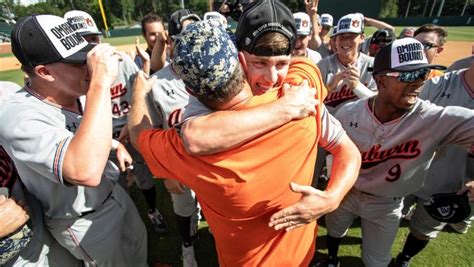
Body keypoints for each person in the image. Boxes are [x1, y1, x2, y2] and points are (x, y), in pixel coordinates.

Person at [129, 18, 361, 266]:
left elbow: (138, 135)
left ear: (190, 90)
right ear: (241, 61)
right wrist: (332, 197)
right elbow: (349, 151)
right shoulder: (300, 93)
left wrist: (138, 93)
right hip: (301, 253)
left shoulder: (185, 149)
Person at [0, 14, 147, 266]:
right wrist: (100, 83)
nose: (89, 66)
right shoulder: (19, 116)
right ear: (44, 72)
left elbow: (74, 132)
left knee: (138, 253)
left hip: (111, 196)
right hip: (85, 219)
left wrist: (114, 144)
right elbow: (84, 171)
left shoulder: (65, 93)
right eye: (79, 61)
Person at [322, 38, 474, 267]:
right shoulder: (349, 113)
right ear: (380, 80)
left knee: (377, 261)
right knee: (334, 229)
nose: (418, 83)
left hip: (387, 202)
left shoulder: (434, 119)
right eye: (408, 76)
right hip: (347, 192)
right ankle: (332, 259)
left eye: (423, 74)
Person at [64, 9, 168, 234]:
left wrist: (131, 128)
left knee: (144, 177)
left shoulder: (120, 62)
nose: (91, 45)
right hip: (98, 140)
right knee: (113, 185)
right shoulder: (68, 74)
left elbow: (139, 94)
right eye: (82, 40)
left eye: (93, 38)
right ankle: (123, 219)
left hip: (129, 131)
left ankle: (152, 211)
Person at [394, 60, 474, 267]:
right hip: (409, 171)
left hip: (453, 185)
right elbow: (402, 115)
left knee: (424, 230)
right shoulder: (441, 84)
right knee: (387, 216)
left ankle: (404, 258)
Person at [145, 8, 204, 267]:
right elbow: (153, 134)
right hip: (178, 162)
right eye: (184, 38)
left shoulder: (214, 72)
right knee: (183, 209)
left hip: (211, 160)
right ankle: (187, 247)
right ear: (171, 41)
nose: (191, 44)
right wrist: (165, 172)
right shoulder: (156, 83)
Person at [317, 13, 377, 114]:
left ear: (362, 38)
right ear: (335, 40)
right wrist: (329, 87)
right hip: (330, 125)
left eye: (351, 36)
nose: (345, 41)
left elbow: (379, 104)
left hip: (362, 125)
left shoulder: (372, 64)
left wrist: (357, 87)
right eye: (342, 37)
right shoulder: (322, 66)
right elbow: (312, 102)